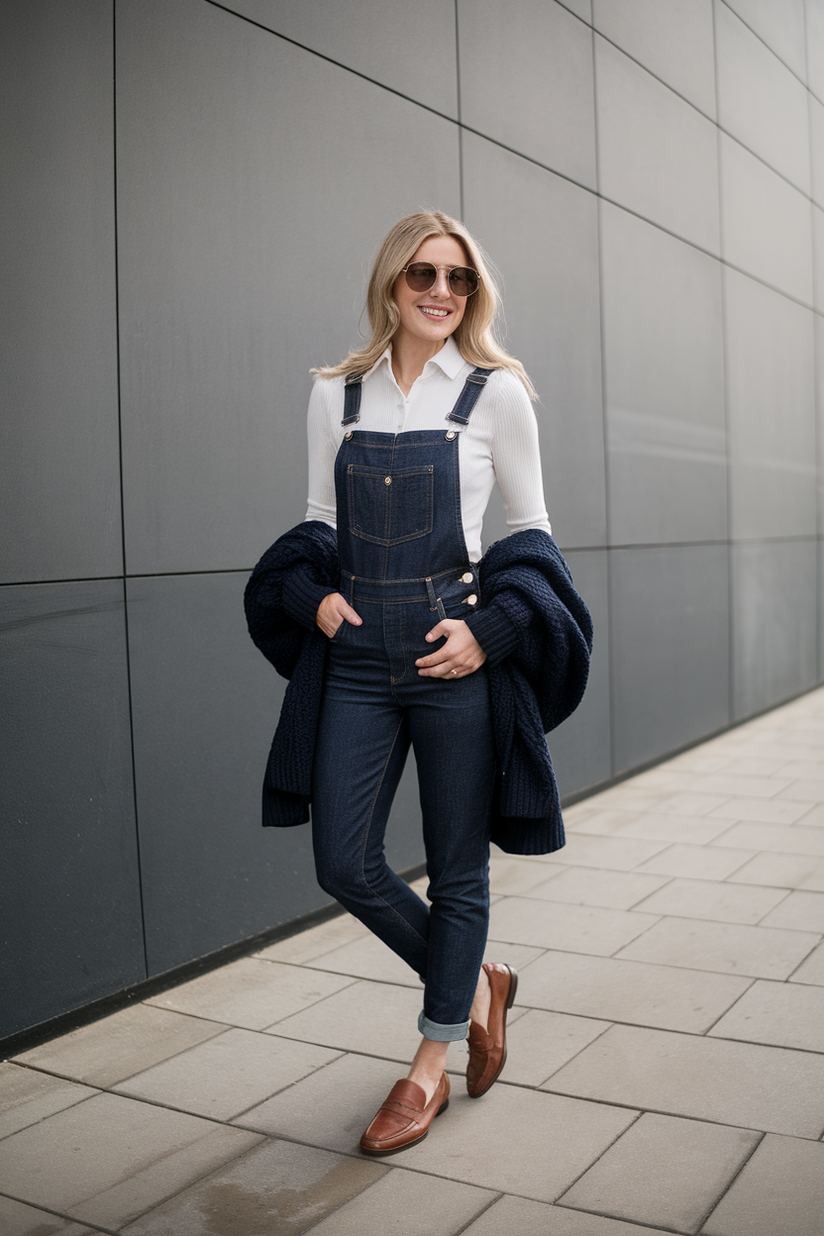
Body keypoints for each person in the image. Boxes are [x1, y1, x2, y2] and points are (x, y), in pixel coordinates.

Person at [245, 211, 592, 1157]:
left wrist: (491, 633)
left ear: (474, 294)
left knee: (457, 865)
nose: (442, 293)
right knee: (344, 862)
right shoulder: (337, 393)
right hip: (357, 659)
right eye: (423, 276)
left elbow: (534, 539)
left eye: (460, 280)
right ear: (390, 285)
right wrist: (313, 597)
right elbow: (317, 523)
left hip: (454, 660)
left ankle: (430, 1063)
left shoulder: (497, 396)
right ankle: (481, 983)